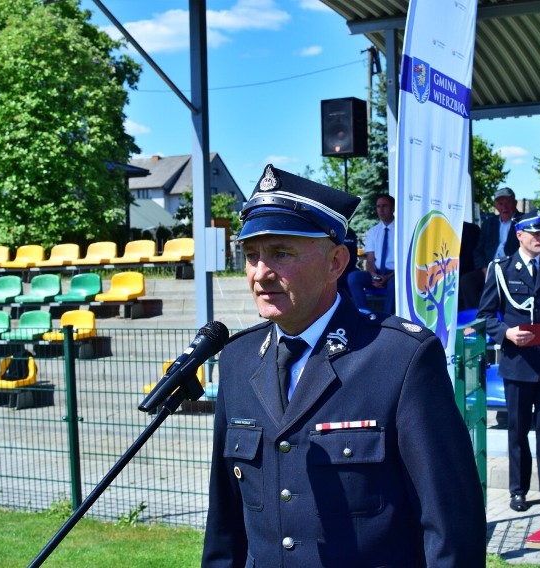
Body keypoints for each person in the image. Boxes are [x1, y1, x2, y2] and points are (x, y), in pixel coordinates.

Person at [202, 164, 486, 567]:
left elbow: (450, 525)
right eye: (251, 256)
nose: (261, 273)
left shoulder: (400, 358)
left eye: (280, 253)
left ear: (336, 262)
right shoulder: (238, 358)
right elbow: (225, 523)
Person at [477, 211, 540, 513]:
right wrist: (506, 333)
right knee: (517, 432)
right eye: (535, 234)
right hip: (518, 363)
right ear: (519, 235)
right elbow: (484, 317)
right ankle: (518, 490)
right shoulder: (502, 269)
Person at [460, 186, 519, 309]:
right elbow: (478, 250)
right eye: (500, 203)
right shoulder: (489, 223)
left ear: (515, 203)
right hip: (490, 268)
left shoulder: (522, 221)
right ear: (495, 206)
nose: (504, 207)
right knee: (467, 281)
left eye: (507, 203)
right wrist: (483, 268)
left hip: (512, 268)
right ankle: (477, 317)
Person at [347, 194, 395, 314]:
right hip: (377, 273)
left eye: (385, 206)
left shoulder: (401, 230)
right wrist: (373, 275)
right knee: (354, 277)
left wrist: (388, 277)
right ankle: (365, 314)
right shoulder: (373, 231)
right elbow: (370, 259)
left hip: (395, 275)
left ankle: (387, 318)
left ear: (393, 208)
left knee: (394, 284)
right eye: (378, 206)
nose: (381, 210)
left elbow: (405, 262)